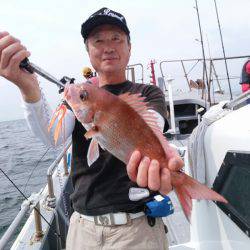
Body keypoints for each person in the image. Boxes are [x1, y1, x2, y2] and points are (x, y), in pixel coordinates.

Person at [0, 7, 183, 250]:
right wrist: (29, 88)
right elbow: (52, 137)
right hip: (82, 230)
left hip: (136, 230)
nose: (108, 47)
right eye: (98, 40)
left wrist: (165, 157)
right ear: (88, 51)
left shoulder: (147, 93)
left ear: (129, 47)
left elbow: (153, 128)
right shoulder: (78, 97)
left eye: (116, 38)